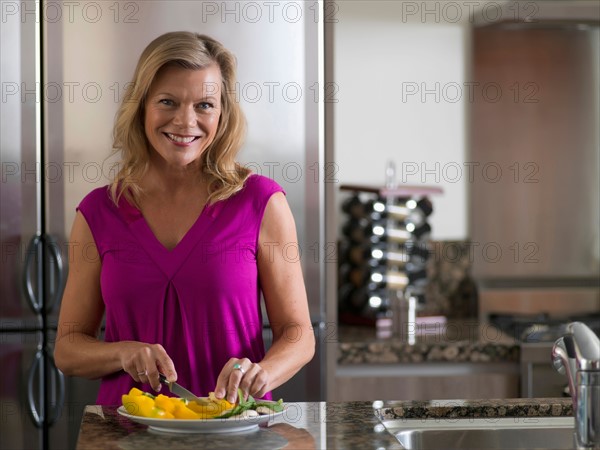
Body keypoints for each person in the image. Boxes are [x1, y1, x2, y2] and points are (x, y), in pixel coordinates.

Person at [54, 31, 315, 406]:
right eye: (167, 101)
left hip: (236, 432)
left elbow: (298, 334)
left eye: (204, 105)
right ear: (141, 106)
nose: (185, 121)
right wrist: (122, 352)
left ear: (223, 114)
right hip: (128, 436)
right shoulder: (98, 212)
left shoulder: (260, 201)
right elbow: (68, 348)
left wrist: (261, 372)